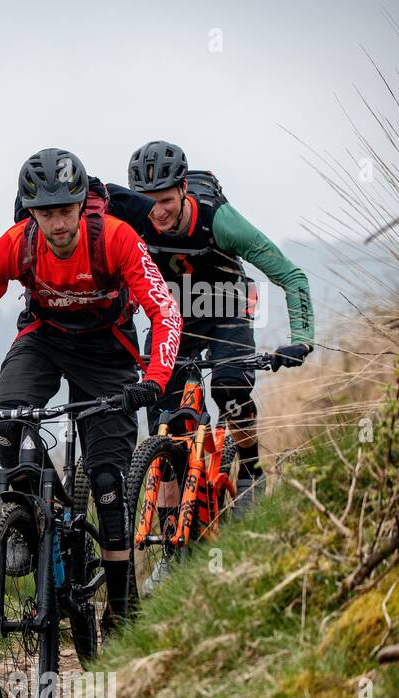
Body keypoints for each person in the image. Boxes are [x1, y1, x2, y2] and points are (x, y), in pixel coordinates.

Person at [0, 147, 182, 632]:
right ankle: (30, 517)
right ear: (30, 212)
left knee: (109, 485)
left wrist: (155, 379)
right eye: (46, 213)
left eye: (65, 211)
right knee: (8, 417)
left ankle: (120, 611)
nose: (57, 223)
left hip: (108, 349)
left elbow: (164, 310)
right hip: (45, 338)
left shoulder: (115, 238)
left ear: (81, 205)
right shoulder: (15, 245)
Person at [124, 140, 315, 507]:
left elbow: (292, 276)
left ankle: (250, 469)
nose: (158, 212)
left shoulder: (219, 220)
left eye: (166, 200)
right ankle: (170, 544)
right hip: (174, 317)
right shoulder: (134, 223)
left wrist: (302, 340)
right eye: (148, 201)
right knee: (163, 415)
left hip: (227, 305)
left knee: (230, 388)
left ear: (183, 191)